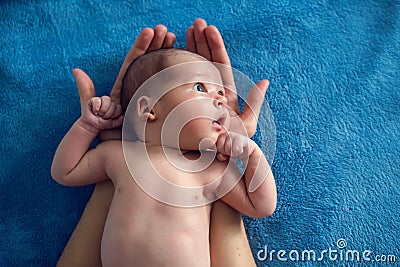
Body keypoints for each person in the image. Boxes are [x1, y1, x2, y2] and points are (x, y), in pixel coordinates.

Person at [55, 19, 272, 266]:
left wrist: (251, 154)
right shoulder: (119, 155)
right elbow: (65, 172)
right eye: (201, 87)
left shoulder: (211, 169)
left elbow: (260, 205)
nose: (220, 99)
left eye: (221, 92)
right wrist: (87, 127)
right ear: (149, 108)